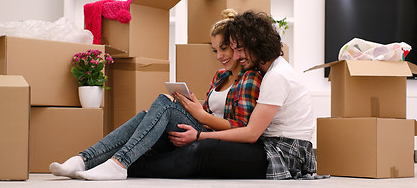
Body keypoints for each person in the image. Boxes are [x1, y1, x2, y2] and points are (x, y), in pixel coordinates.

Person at [49, 9, 262, 180]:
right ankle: (82, 160)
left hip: (223, 141)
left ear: (236, 47)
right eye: (215, 50)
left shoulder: (249, 78)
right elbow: (207, 112)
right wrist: (190, 104)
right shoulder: (220, 76)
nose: (220, 56)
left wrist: (199, 115)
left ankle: (119, 163)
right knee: (150, 112)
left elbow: (242, 126)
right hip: (203, 127)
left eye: (225, 48)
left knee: (164, 104)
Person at [130, 10, 320, 180]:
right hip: (267, 144)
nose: (235, 57)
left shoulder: (276, 76)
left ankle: (134, 168)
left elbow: (251, 133)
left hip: (285, 153)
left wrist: (200, 135)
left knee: (206, 150)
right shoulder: (267, 72)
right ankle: (127, 161)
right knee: (190, 143)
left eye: (239, 49)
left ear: (257, 45)